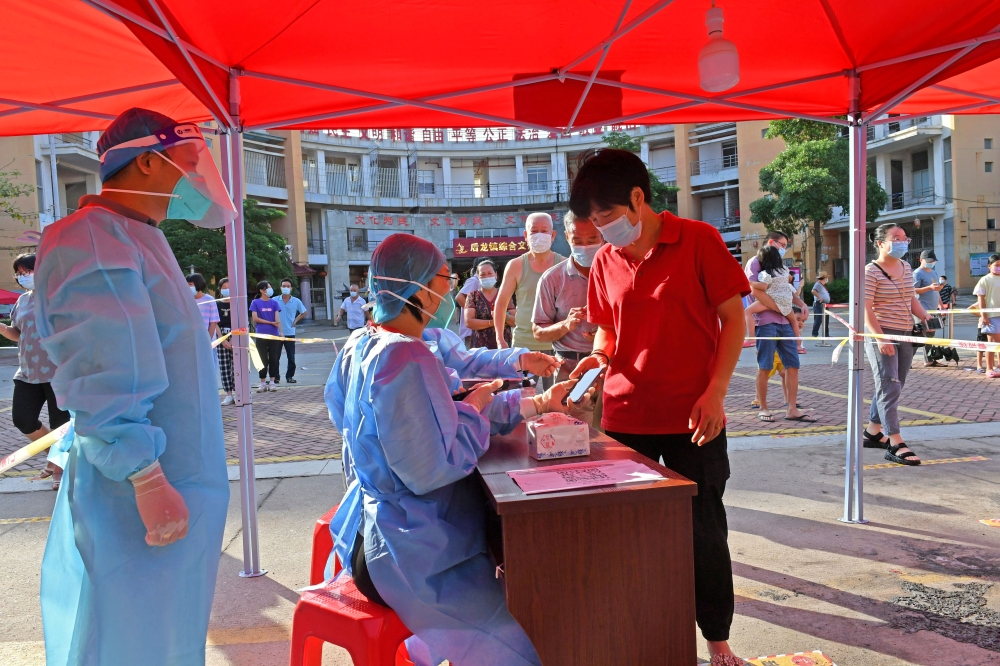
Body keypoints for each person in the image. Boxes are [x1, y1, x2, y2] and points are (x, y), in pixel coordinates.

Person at [325, 233, 586, 666]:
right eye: (445, 278)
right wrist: (476, 407)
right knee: (520, 639)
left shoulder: (364, 343)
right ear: (419, 288)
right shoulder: (405, 359)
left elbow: (364, 418)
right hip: (410, 553)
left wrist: (530, 403)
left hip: (369, 529)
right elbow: (434, 465)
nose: (451, 288)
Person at [33, 108, 231, 665]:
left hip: (172, 479)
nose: (192, 181)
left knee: (161, 634)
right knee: (131, 638)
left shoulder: (138, 237)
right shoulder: (94, 240)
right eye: (185, 164)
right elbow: (104, 373)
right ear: (148, 161)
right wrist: (144, 476)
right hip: (136, 489)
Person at [566, 148, 751, 666]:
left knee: (703, 531)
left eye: (607, 216)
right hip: (626, 418)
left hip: (694, 417)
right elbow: (608, 327)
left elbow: (734, 321)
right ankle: (638, 636)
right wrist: (597, 360)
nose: (601, 229)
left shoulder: (698, 240)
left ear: (638, 198)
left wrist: (715, 391)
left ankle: (717, 639)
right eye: (593, 221)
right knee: (628, 536)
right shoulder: (604, 259)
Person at [862, 223, 931, 465]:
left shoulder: (906, 266)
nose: (903, 242)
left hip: (905, 332)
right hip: (883, 332)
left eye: (905, 238)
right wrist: (881, 338)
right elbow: (866, 309)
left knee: (894, 384)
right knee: (888, 384)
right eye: (896, 238)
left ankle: (873, 431)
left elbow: (910, 297)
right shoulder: (870, 271)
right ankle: (895, 441)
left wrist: (924, 315)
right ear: (880, 243)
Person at [0, 253, 70, 490]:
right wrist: (2, 328)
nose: (23, 277)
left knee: (60, 424)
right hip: (28, 371)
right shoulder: (22, 301)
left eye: (27, 271)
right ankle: (55, 457)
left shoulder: (59, 297)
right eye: (19, 273)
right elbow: (17, 333)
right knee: (23, 419)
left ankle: (59, 469)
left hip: (57, 371)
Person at [532, 211, 604, 425]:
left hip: (610, 369)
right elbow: (538, 332)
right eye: (577, 241)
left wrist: (605, 335)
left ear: (603, 234)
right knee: (573, 437)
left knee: (612, 440)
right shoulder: (552, 278)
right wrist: (566, 325)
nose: (585, 246)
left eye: (592, 240)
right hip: (570, 371)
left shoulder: (616, 270)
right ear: (566, 237)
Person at [744, 231, 811, 423]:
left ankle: (791, 408)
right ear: (772, 242)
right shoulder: (756, 262)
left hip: (783, 321)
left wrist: (801, 303)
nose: (784, 249)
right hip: (765, 322)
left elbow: (786, 290)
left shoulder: (779, 266)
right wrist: (779, 307)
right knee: (765, 366)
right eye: (782, 244)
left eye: (786, 245)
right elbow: (754, 288)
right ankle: (763, 407)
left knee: (793, 365)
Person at [493, 213, 566, 389]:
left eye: (544, 231)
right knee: (519, 403)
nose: (539, 235)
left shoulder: (563, 264)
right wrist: (500, 339)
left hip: (556, 345)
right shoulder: (516, 265)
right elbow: (501, 303)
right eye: (534, 231)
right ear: (525, 235)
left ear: (553, 235)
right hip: (523, 345)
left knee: (556, 403)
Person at [744, 246, 802, 341]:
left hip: (773, 300)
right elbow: (789, 279)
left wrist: (749, 282)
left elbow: (763, 286)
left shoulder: (766, 273)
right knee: (793, 322)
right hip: (787, 301)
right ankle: (798, 344)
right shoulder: (785, 270)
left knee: (748, 311)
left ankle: (751, 337)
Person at [465, 259, 515, 349]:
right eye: (482, 274)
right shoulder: (472, 296)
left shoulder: (504, 295)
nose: (487, 277)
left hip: (503, 347)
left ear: (496, 274)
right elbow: (469, 322)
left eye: (490, 273)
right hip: (480, 349)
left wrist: (505, 316)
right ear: (478, 277)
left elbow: (515, 321)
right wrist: (494, 322)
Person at [249, 280, 283, 392]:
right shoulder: (255, 302)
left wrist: (281, 332)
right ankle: (262, 382)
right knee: (262, 359)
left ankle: (272, 382)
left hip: (274, 335)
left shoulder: (274, 303)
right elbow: (255, 318)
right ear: (261, 290)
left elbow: (277, 319)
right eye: (268, 287)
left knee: (274, 358)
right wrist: (270, 323)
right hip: (261, 334)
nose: (270, 289)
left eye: (270, 287)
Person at [913, 249, 943, 367]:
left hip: (933, 308)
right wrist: (929, 288)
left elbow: (937, 290)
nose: (931, 262)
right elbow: (913, 290)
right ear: (921, 260)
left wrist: (940, 304)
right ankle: (908, 360)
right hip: (921, 308)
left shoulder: (933, 273)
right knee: (920, 335)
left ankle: (929, 359)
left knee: (930, 335)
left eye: (933, 260)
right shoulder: (917, 273)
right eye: (929, 260)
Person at [275, 278, 307, 384]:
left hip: (290, 332)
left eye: (288, 286)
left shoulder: (296, 301)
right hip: (277, 333)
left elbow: (304, 312)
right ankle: (276, 377)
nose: (286, 288)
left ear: (291, 288)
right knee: (275, 357)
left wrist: (296, 320)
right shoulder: (274, 300)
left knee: (291, 357)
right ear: (280, 288)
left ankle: (289, 376)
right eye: (284, 286)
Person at [974, 254, 1000, 378]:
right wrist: (984, 315)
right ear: (989, 266)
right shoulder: (985, 279)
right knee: (991, 343)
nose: (999, 268)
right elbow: (981, 299)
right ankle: (989, 368)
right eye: (996, 265)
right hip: (992, 316)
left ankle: (998, 367)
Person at [216, 278, 236, 405]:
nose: (226, 289)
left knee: (237, 366)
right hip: (221, 335)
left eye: (229, 287)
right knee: (224, 367)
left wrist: (234, 337)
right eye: (223, 287)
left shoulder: (238, 303)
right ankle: (229, 394)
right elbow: (214, 322)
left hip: (237, 334)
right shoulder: (216, 304)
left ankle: (240, 392)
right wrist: (222, 339)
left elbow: (242, 321)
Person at [186, 272, 220, 340]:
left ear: (198, 284)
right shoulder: (186, 300)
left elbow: (213, 322)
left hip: (206, 340)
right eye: (186, 284)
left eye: (190, 284)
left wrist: (208, 340)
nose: (188, 287)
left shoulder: (210, 300)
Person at [811, 272, 832, 345]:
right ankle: (815, 333)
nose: (827, 279)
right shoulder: (818, 284)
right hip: (819, 304)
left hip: (824, 305)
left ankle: (826, 334)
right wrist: (820, 298)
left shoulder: (822, 285)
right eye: (826, 278)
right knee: (818, 319)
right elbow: (813, 291)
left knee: (826, 319)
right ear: (824, 278)